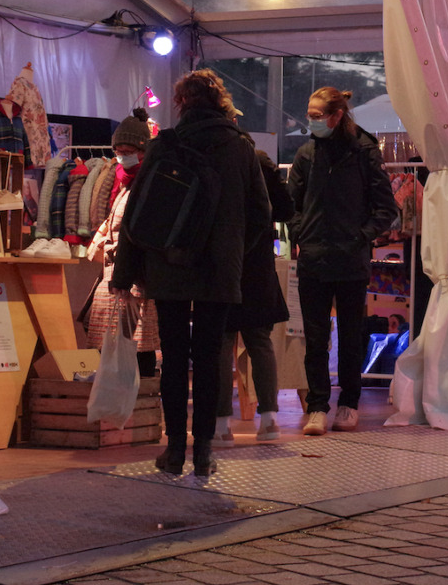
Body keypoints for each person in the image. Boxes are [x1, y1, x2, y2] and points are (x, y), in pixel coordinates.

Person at [114, 71, 269, 478]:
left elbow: (136, 215)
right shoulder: (240, 148)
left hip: (170, 267)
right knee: (210, 358)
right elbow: (262, 214)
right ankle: (203, 453)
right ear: (220, 101)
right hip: (219, 270)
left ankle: (174, 452)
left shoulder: (166, 144)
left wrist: (125, 273)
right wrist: (233, 248)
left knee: (176, 357)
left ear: (182, 103)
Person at [287, 87, 398, 435]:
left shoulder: (364, 152)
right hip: (314, 258)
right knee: (315, 337)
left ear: (337, 116)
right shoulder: (306, 154)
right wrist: (301, 234)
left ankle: (349, 403)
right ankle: (317, 406)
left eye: (318, 115)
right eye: (310, 114)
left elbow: (387, 208)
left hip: (351, 259)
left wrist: (360, 236)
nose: (312, 121)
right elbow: (292, 205)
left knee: (351, 336)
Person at [216, 148, 294, 443]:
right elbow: (286, 210)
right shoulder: (258, 160)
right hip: (257, 264)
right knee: (260, 343)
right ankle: (269, 421)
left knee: (221, 344)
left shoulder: (212, 156)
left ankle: (221, 424)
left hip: (220, 263)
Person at [84, 109, 158, 377]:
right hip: (114, 277)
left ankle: (137, 405)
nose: (123, 154)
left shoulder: (148, 183)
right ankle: (113, 405)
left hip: (134, 282)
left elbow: (141, 232)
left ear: (142, 150)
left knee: (136, 348)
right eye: (119, 149)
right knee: (111, 347)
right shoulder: (123, 182)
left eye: (129, 149)